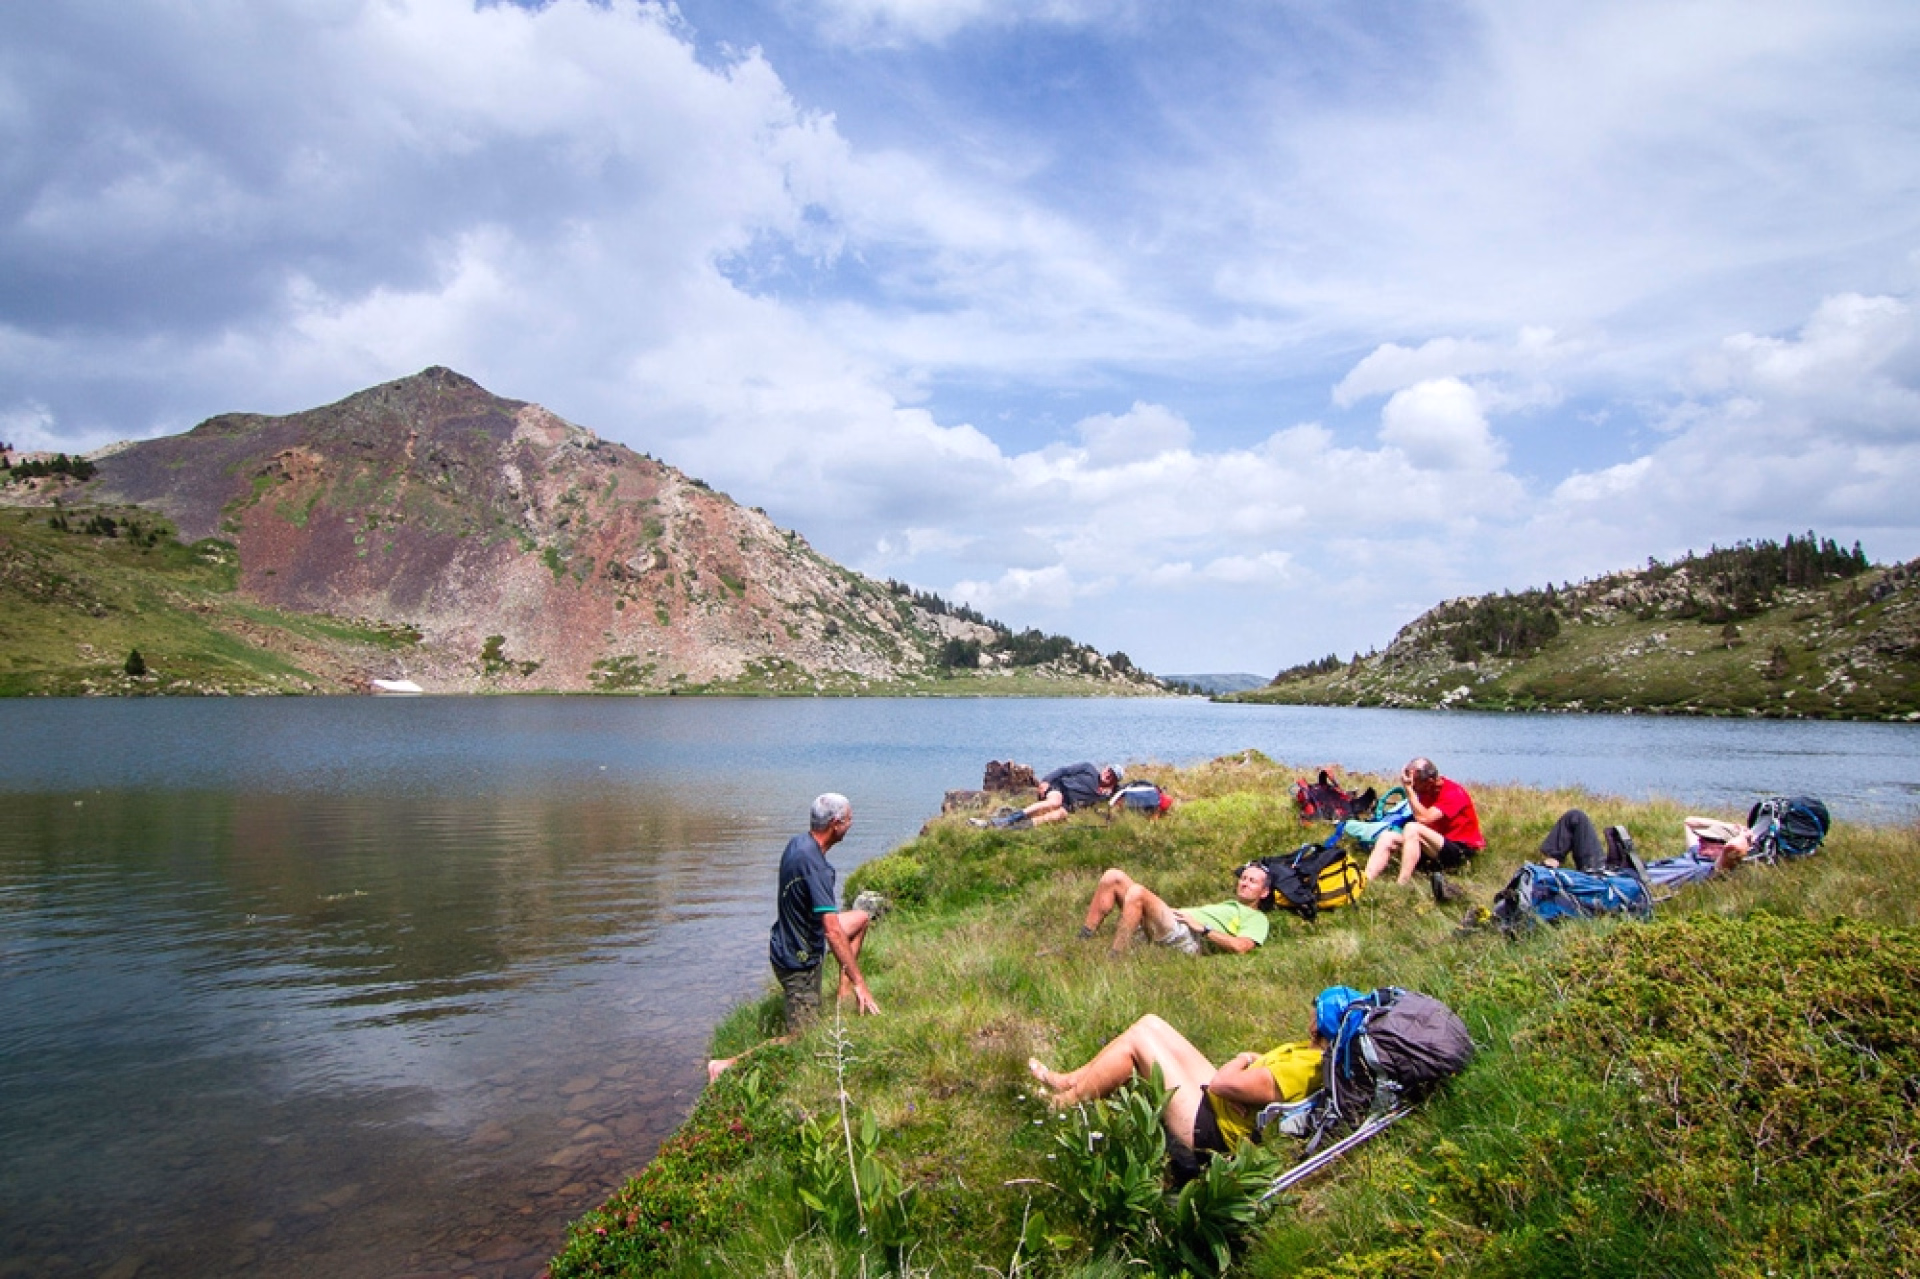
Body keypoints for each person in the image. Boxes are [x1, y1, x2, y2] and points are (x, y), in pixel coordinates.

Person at [1024, 987, 1354, 1167]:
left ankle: (1061, 1105)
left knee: (1137, 1044)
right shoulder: (1316, 1055)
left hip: (1212, 1130)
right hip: (1222, 1105)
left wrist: (1241, 1060)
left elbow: (1225, 1083)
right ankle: (1068, 1080)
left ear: (1319, 1023)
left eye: (1315, 1008)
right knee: (1150, 1023)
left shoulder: (1303, 1068)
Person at [707, 793, 877, 1082]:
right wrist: (861, 981)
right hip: (797, 961)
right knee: (801, 1039)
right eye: (849, 820)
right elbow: (833, 931)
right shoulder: (816, 868)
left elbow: (831, 922)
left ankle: (842, 995)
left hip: (793, 937)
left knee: (860, 919)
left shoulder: (798, 844)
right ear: (835, 825)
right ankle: (725, 1065)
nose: (851, 824)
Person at [1076, 864, 1272, 956]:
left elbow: (1242, 946)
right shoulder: (1228, 905)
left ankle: (1115, 958)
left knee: (1137, 891)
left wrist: (1203, 929)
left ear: (1264, 893)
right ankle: (1083, 939)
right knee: (1113, 876)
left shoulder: (1257, 918)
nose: (1244, 883)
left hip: (1190, 937)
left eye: (1252, 881)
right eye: (1243, 878)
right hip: (1175, 921)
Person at [1364, 757, 1484, 887]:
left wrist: (1409, 791)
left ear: (1430, 781)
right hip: (1436, 847)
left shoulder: (1453, 793)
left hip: (1460, 851)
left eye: (1415, 782)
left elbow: (1424, 818)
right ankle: (1365, 880)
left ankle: (1401, 884)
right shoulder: (1425, 791)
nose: (1412, 786)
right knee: (1388, 837)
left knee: (1412, 828)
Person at [974, 762, 1121, 828]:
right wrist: (1046, 781)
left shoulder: (1106, 795)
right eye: (1108, 771)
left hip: (1068, 806)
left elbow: (1125, 794)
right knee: (1054, 803)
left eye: (1112, 775)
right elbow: (1064, 771)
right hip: (1058, 790)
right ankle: (1006, 820)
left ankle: (1013, 828)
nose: (1108, 775)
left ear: (1114, 781)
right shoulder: (1088, 769)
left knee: (1059, 815)